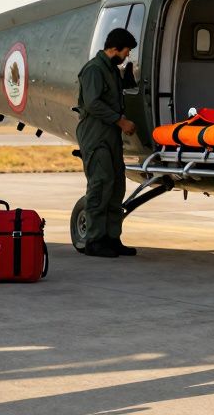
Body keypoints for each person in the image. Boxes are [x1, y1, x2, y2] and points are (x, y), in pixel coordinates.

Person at [76, 27, 138, 258]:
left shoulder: (112, 70)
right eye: (127, 51)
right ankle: (94, 240)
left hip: (110, 136)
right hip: (96, 135)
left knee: (116, 186)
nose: (127, 56)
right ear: (115, 48)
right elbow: (93, 104)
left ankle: (111, 238)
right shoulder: (94, 69)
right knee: (100, 185)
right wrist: (120, 122)